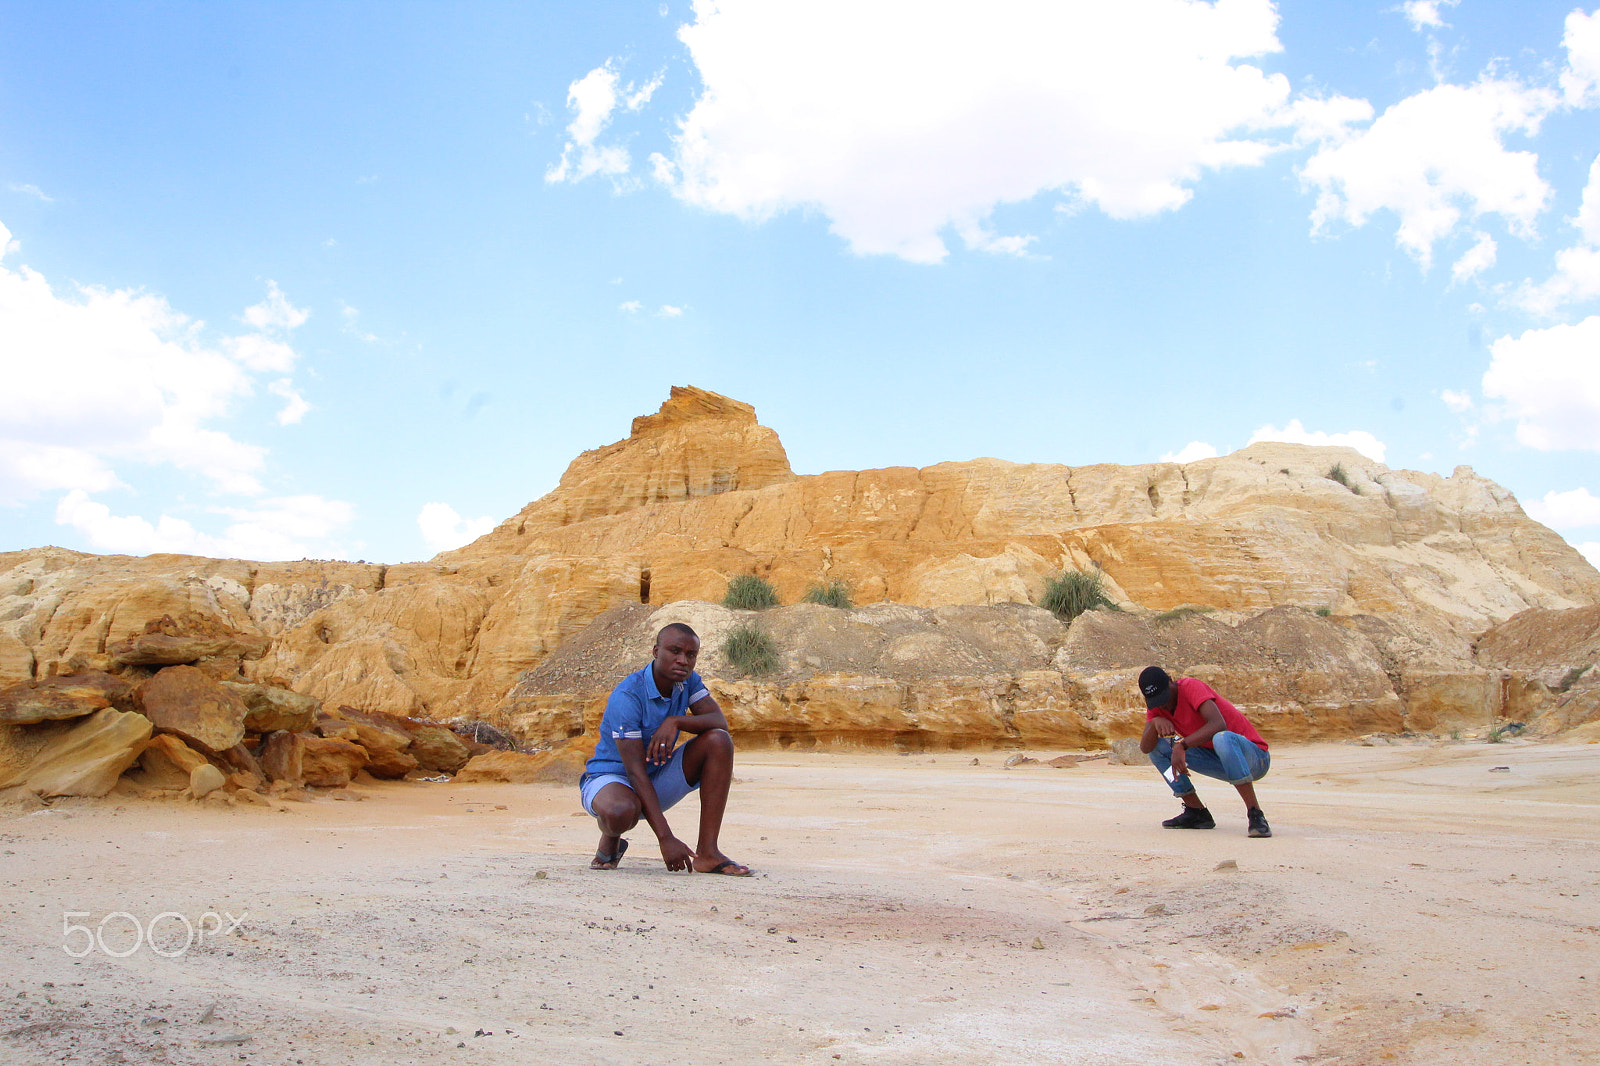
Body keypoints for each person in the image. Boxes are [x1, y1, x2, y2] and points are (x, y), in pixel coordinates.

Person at [578, 622, 752, 875]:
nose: (683, 660)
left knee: (719, 740)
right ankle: (611, 837)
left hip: (655, 776)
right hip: (613, 778)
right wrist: (666, 838)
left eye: (691, 655)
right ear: (656, 651)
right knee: (619, 811)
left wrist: (676, 720)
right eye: (675, 651)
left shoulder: (687, 682)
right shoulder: (628, 696)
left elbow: (718, 722)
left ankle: (708, 853)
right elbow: (635, 771)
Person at [1137, 666, 1272, 837]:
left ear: (1171, 681)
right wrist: (1154, 722)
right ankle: (1196, 811)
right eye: (1157, 701)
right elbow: (1145, 748)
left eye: (1165, 697)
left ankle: (1255, 814)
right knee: (1158, 749)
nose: (1164, 704)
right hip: (1219, 760)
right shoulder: (1157, 704)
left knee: (1222, 738)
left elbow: (1218, 724)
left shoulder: (1191, 687)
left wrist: (1182, 745)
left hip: (1254, 759)